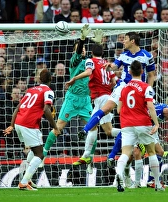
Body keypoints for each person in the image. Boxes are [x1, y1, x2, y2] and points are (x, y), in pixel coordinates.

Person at [77, 31, 156, 143]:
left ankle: (146, 143)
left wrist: (148, 91)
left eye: (125, 39)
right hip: (123, 86)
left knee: (143, 116)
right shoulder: (123, 55)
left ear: (132, 41)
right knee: (106, 108)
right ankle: (85, 130)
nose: (123, 41)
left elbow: (152, 75)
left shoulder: (147, 56)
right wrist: (109, 67)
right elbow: (113, 67)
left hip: (139, 88)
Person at [3, 68, 60, 191]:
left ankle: (27, 179)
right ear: (51, 79)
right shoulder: (48, 91)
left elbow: (17, 107)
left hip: (19, 122)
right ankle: (23, 182)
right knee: (40, 154)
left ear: (39, 79)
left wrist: (12, 125)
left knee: (35, 150)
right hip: (29, 124)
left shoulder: (30, 90)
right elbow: (46, 110)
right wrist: (55, 127)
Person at [42, 24, 94, 157]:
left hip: (85, 100)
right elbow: (78, 52)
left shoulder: (89, 61)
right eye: (79, 49)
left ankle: (89, 157)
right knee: (58, 128)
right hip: (72, 99)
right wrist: (82, 38)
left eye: (83, 48)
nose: (82, 50)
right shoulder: (74, 61)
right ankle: (44, 152)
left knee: (94, 128)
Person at [107, 102, 168, 188]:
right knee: (133, 153)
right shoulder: (156, 112)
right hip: (141, 129)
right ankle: (126, 177)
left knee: (159, 152)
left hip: (149, 131)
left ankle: (150, 180)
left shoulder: (167, 109)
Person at [70, 30, 118, 169]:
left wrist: (74, 78)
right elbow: (114, 82)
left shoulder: (90, 61)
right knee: (107, 131)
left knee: (92, 126)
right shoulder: (107, 63)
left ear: (91, 53)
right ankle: (86, 156)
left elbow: (89, 72)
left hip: (101, 98)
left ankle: (86, 155)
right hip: (106, 97)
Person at [114, 60, 161, 192]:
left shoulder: (123, 88)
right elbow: (150, 106)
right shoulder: (147, 87)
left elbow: (118, 110)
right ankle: (157, 184)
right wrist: (156, 123)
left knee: (125, 153)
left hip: (127, 124)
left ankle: (119, 174)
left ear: (129, 72)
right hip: (142, 123)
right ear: (142, 71)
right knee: (151, 152)